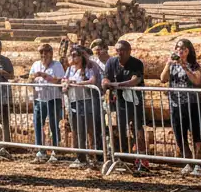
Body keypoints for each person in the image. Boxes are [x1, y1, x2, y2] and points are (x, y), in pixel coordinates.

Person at [159, 37, 201, 175]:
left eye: (183, 49)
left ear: (188, 51)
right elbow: (163, 78)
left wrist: (185, 66)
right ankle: (188, 161)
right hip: (175, 104)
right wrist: (168, 63)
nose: (180, 51)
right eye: (178, 48)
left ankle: (199, 163)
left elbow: (196, 80)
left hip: (191, 103)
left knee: (196, 134)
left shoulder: (194, 65)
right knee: (180, 135)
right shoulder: (172, 64)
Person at [104, 40, 148, 172]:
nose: (119, 53)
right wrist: (106, 83)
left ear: (129, 51)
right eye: (117, 50)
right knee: (119, 129)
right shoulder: (111, 62)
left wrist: (116, 85)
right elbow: (106, 78)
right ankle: (120, 157)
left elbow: (135, 80)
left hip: (134, 101)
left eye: (122, 50)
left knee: (137, 129)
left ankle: (142, 159)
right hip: (118, 101)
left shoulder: (136, 63)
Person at [62, 46, 101, 168]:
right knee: (77, 131)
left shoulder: (88, 68)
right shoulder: (69, 70)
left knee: (90, 130)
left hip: (87, 101)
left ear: (81, 57)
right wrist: (65, 85)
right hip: (73, 102)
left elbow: (92, 81)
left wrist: (77, 83)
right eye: (71, 55)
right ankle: (81, 158)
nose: (73, 57)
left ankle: (97, 157)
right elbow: (64, 82)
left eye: (75, 55)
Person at [29, 43, 65, 163]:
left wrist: (45, 76)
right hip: (39, 98)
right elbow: (29, 79)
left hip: (53, 98)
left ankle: (55, 150)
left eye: (46, 52)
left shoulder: (57, 65)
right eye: (41, 52)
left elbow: (60, 80)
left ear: (51, 53)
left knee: (53, 125)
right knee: (38, 124)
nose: (44, 54)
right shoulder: (35, 65)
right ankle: (41, 150)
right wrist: (32, 78)